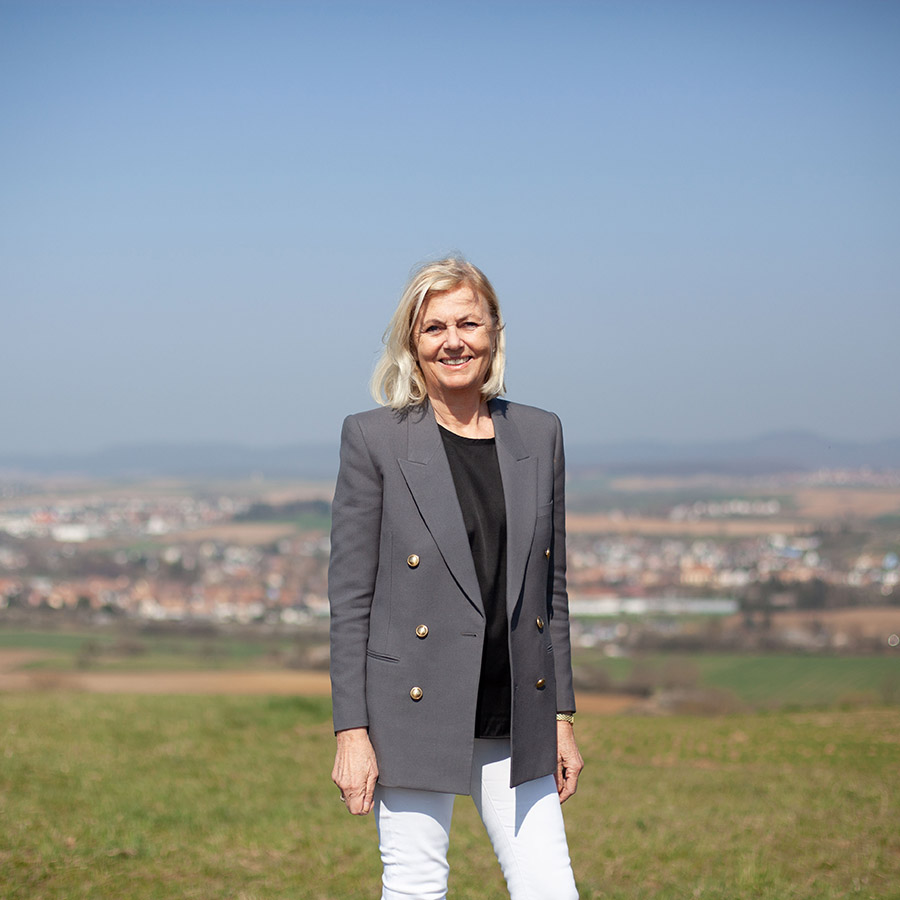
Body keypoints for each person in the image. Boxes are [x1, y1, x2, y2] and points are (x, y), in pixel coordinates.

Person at [329, 257, 583, 900]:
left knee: (550, 889)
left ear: (494, 331)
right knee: (415, 887)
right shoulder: (374, 439)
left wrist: (561, 716)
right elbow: (351, 600)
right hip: (411, 705)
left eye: (468, 322)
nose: (453, 341)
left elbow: (549, 592)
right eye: (433, 327)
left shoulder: (540, 432)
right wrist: (351, 732)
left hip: (515, 709)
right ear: (411, 344)